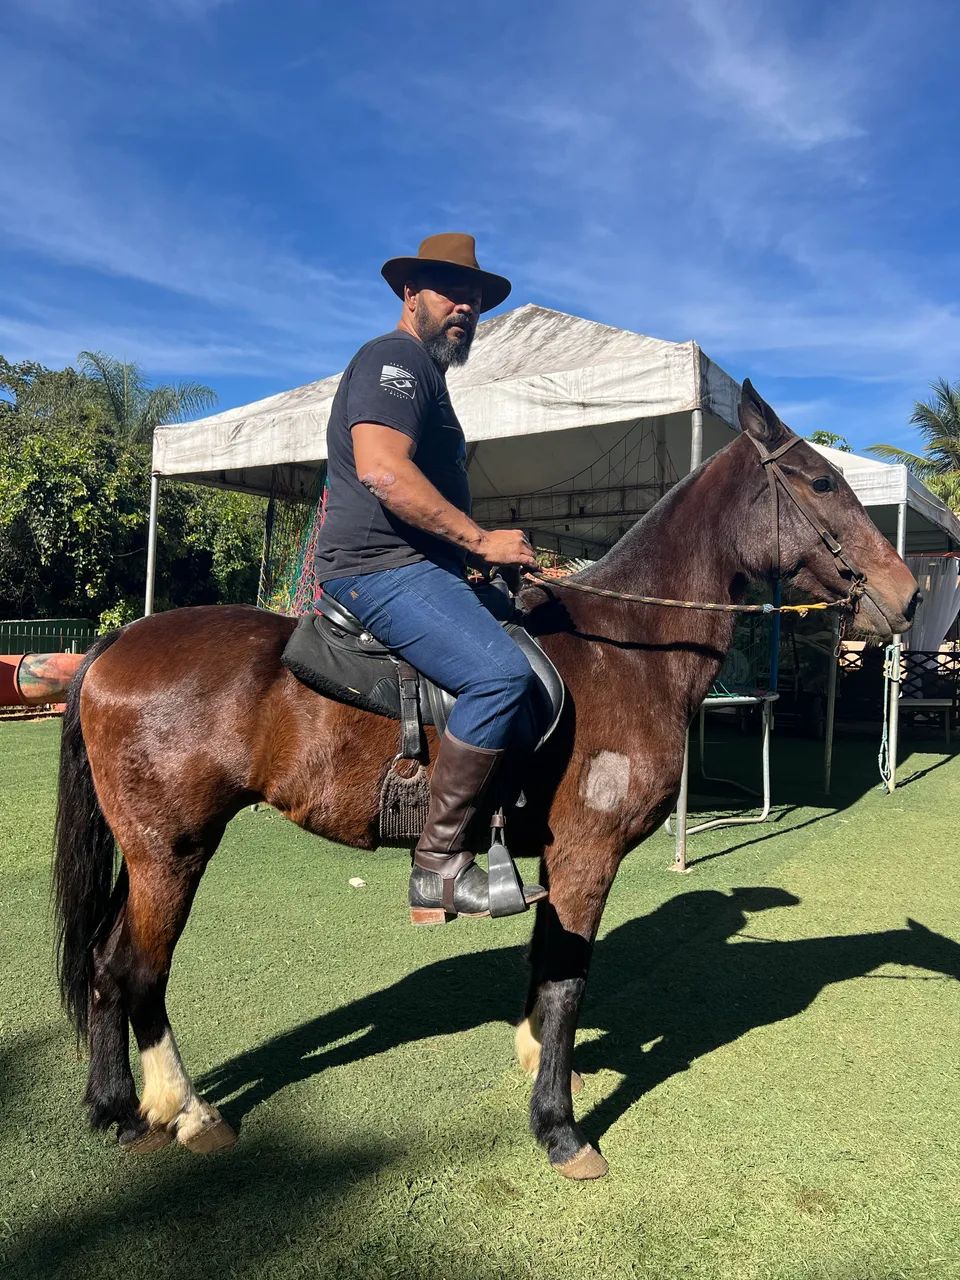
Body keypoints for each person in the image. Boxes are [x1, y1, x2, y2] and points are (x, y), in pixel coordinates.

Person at [314, 233, 546, 923]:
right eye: (451, 291)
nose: (466, 306)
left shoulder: (428, 376)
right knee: (499, 674)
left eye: (474, 297)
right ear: (409, 291)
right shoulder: (394, 360)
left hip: (419, 562)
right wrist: (478, 538)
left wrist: (477, 557)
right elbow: (383, 471)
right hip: (376, 567)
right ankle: (440, 865)